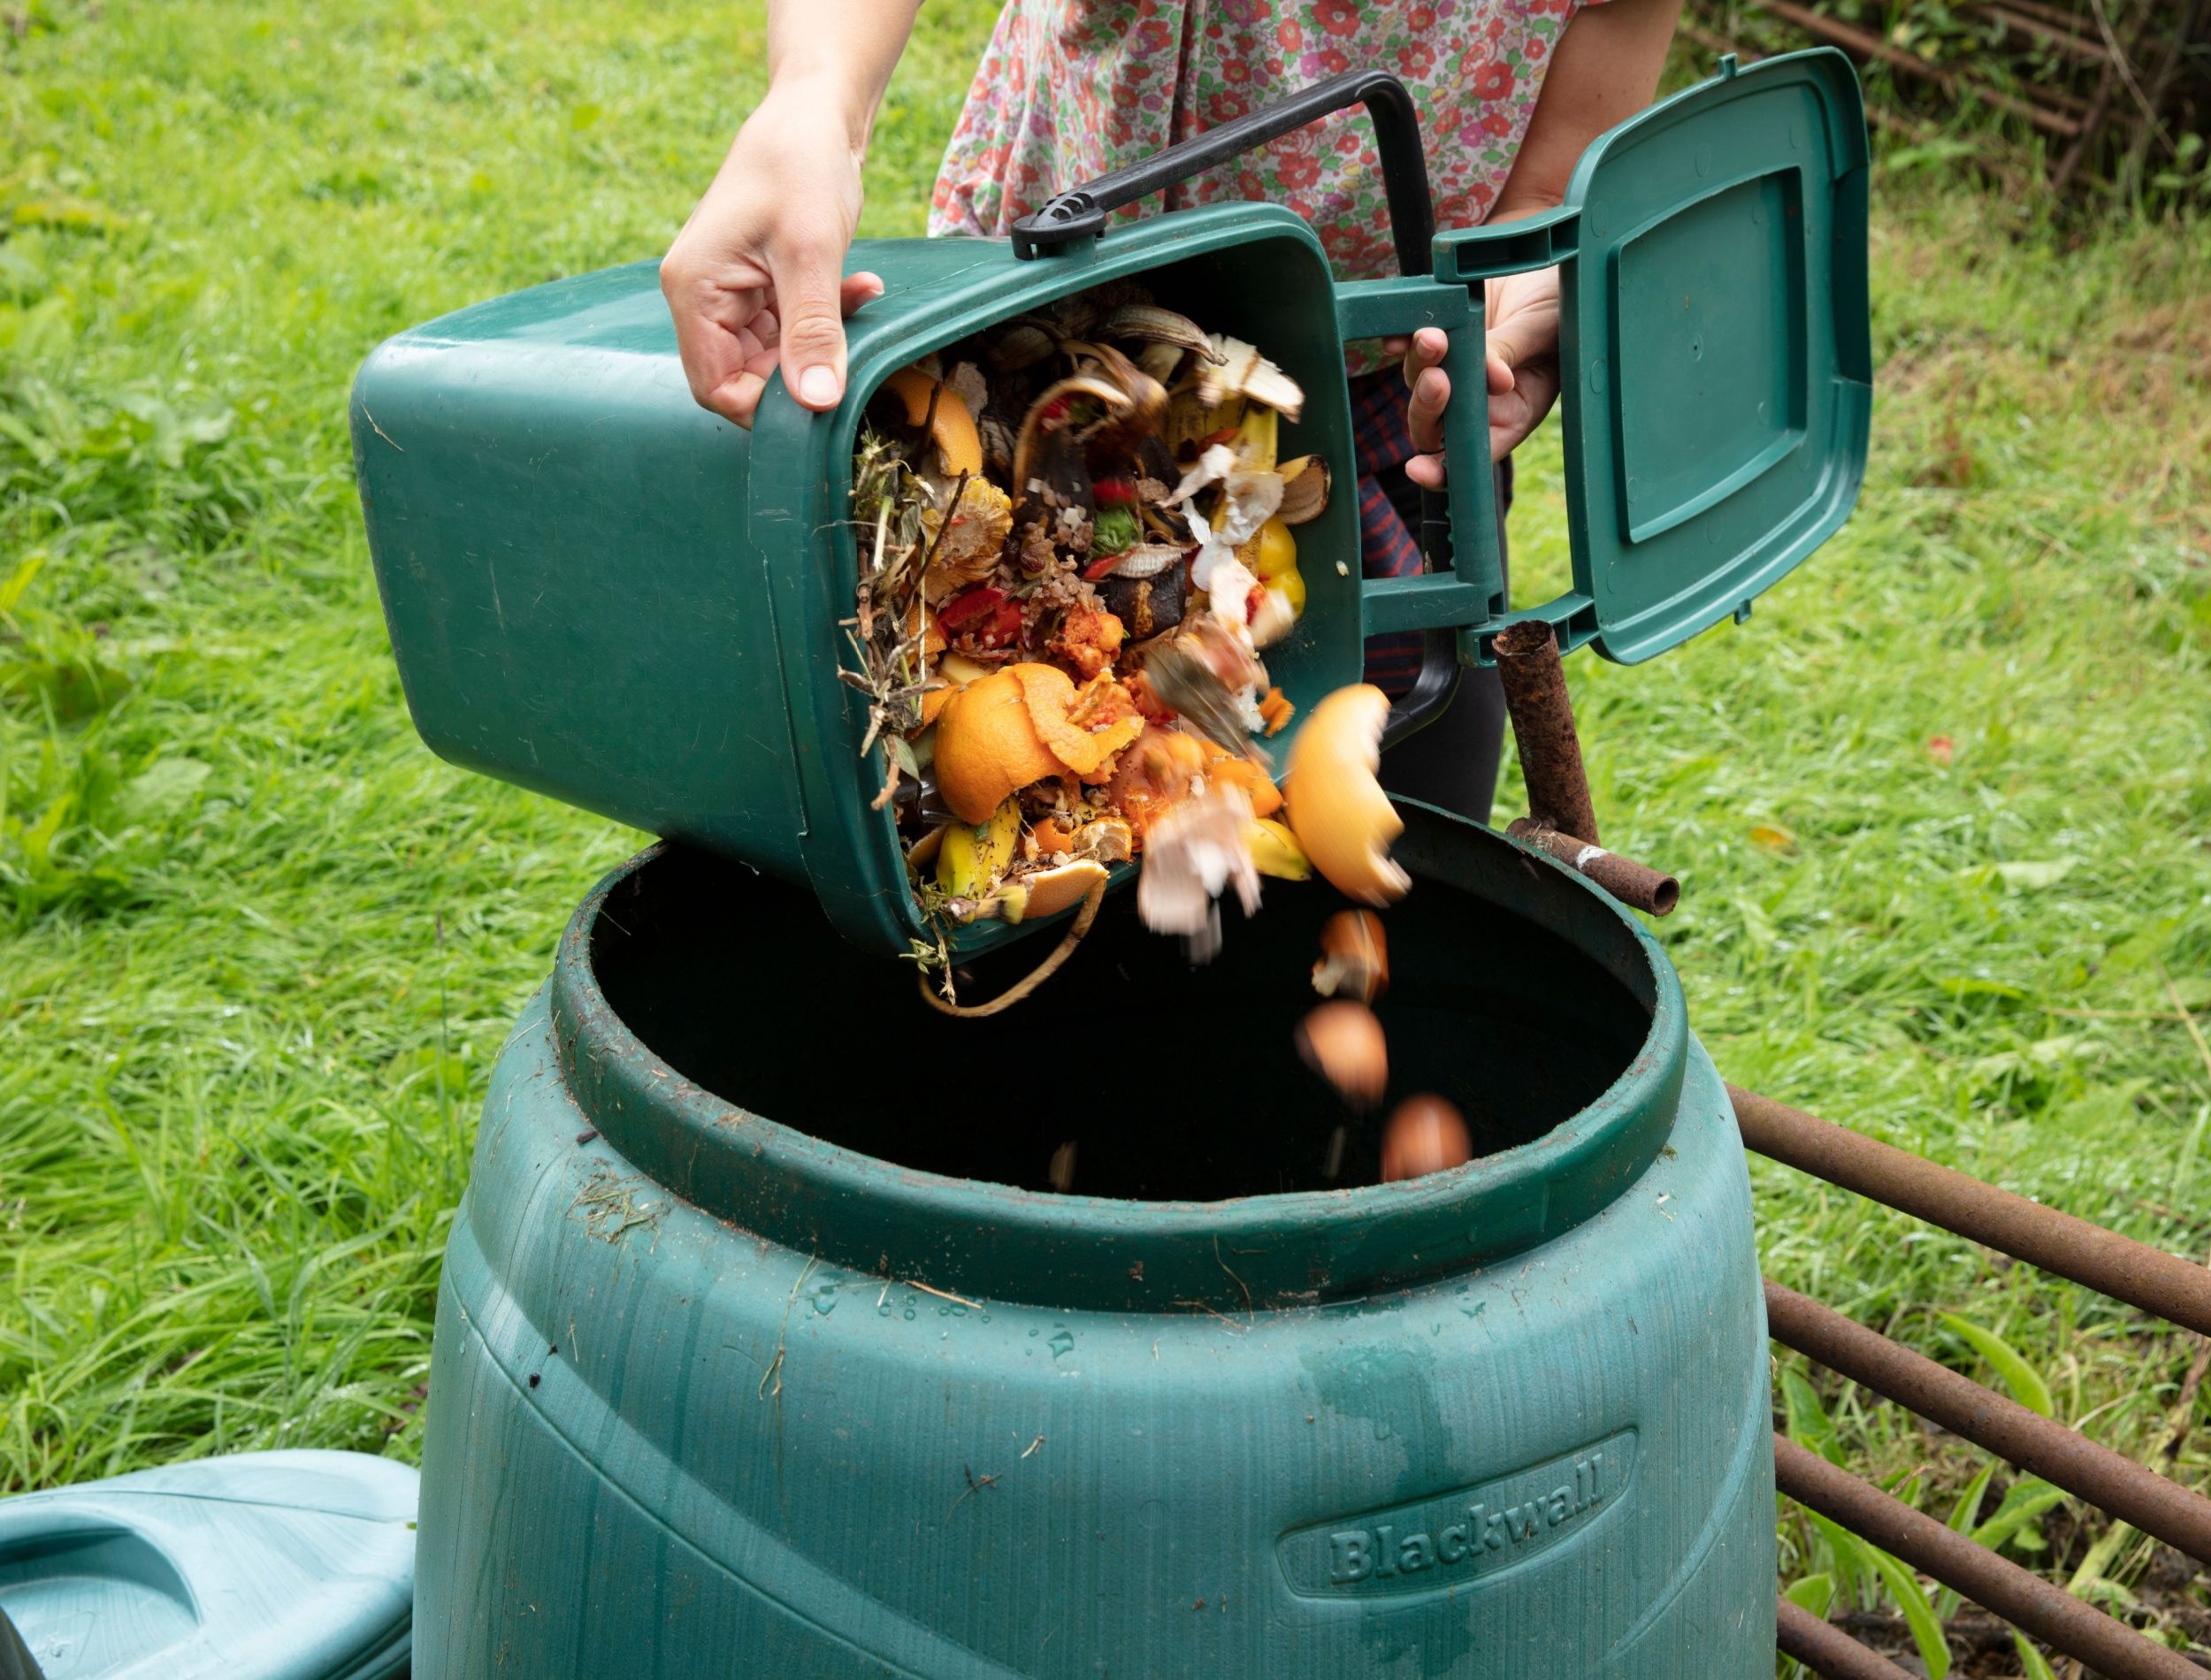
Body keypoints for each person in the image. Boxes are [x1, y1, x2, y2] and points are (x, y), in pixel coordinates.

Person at [661, 0, 1681, 824]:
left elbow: (1552, 180)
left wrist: (1520, 295)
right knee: (953, 793)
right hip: (1023, 371)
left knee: (1396, 827)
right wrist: (813, 99)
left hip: (1372, 412)